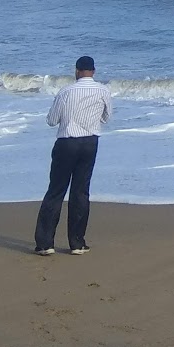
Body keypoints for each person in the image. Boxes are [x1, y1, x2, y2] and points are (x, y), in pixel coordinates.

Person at [33, 55, 113, 256]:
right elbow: (107, 117)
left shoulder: (66, 91)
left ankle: (45, 243)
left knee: (56, 191)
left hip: (67, 141)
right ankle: (77, 243)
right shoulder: (103, 90)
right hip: (90, 142)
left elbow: (52, 120)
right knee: (81, 191)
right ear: (93, 71)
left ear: (76, 71)